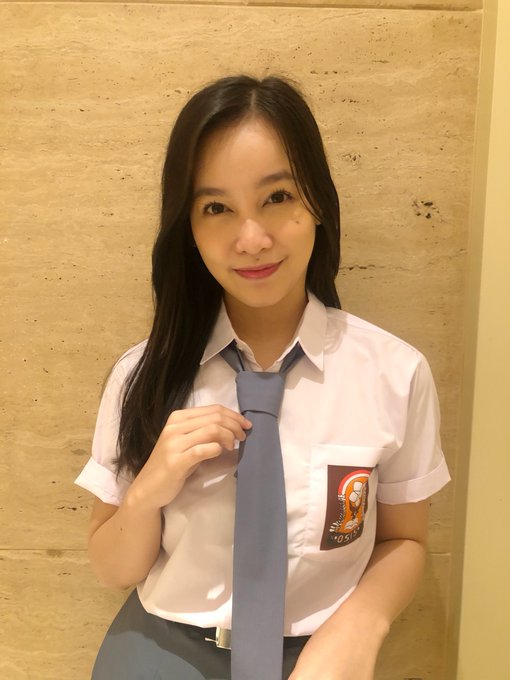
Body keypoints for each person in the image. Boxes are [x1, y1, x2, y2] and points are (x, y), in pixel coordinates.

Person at [75, 74, 451, 680]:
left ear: (317, 202)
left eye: (277, 197)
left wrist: (360, 628)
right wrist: (149, 489)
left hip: (320, 662)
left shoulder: (395, 373)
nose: (251, 239)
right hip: (157, 656)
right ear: (189, 229)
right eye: (216, 208)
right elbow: (112, 569)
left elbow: (404, 540)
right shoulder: (142, 375)